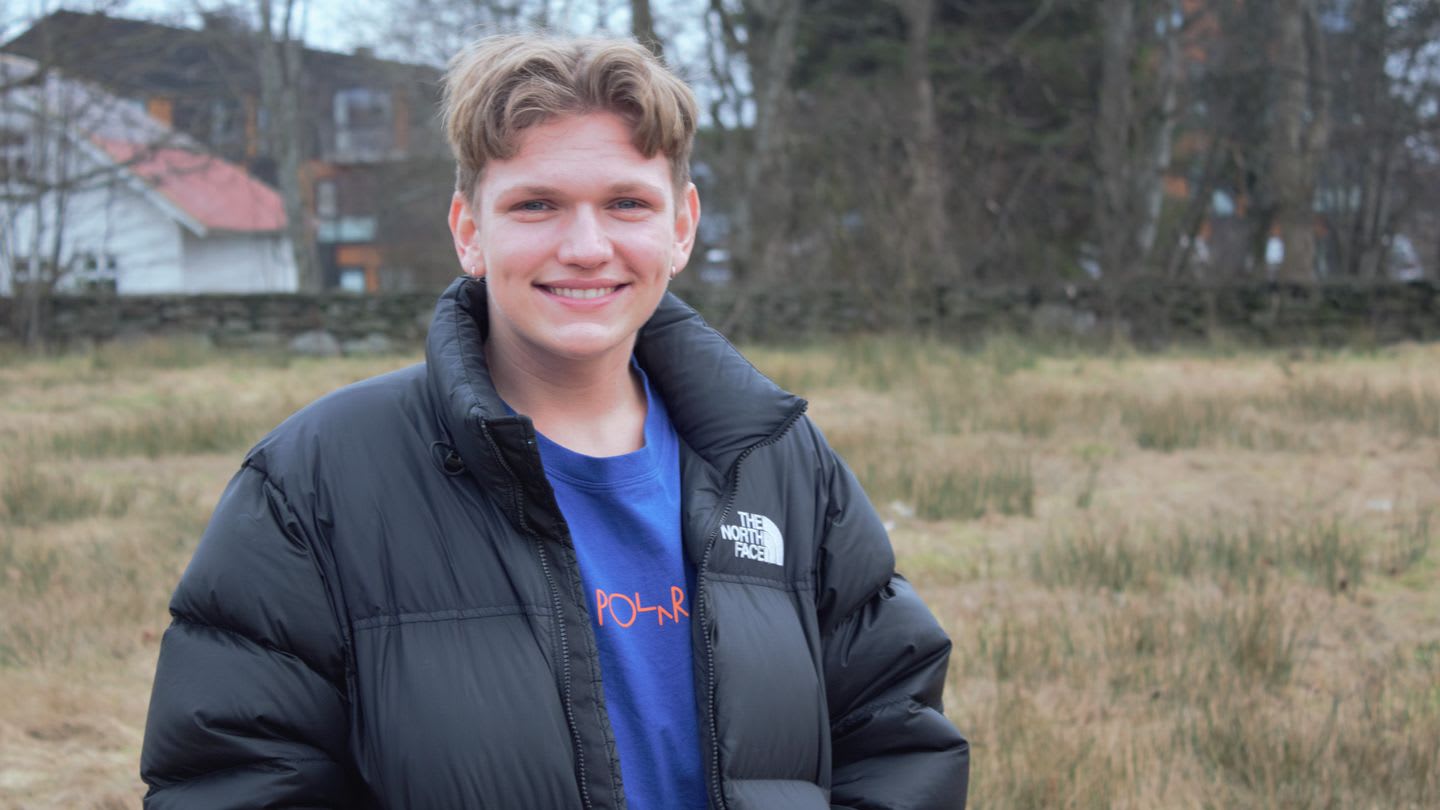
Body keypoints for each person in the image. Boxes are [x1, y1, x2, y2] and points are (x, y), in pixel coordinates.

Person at [139, 32, 969, 810]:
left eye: (627, 203)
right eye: (536, 204)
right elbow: (236, 778)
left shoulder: (781, 462)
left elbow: (893, 735)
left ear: (681, 227)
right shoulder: (314, 482)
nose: (586, 246)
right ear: (469, 231)